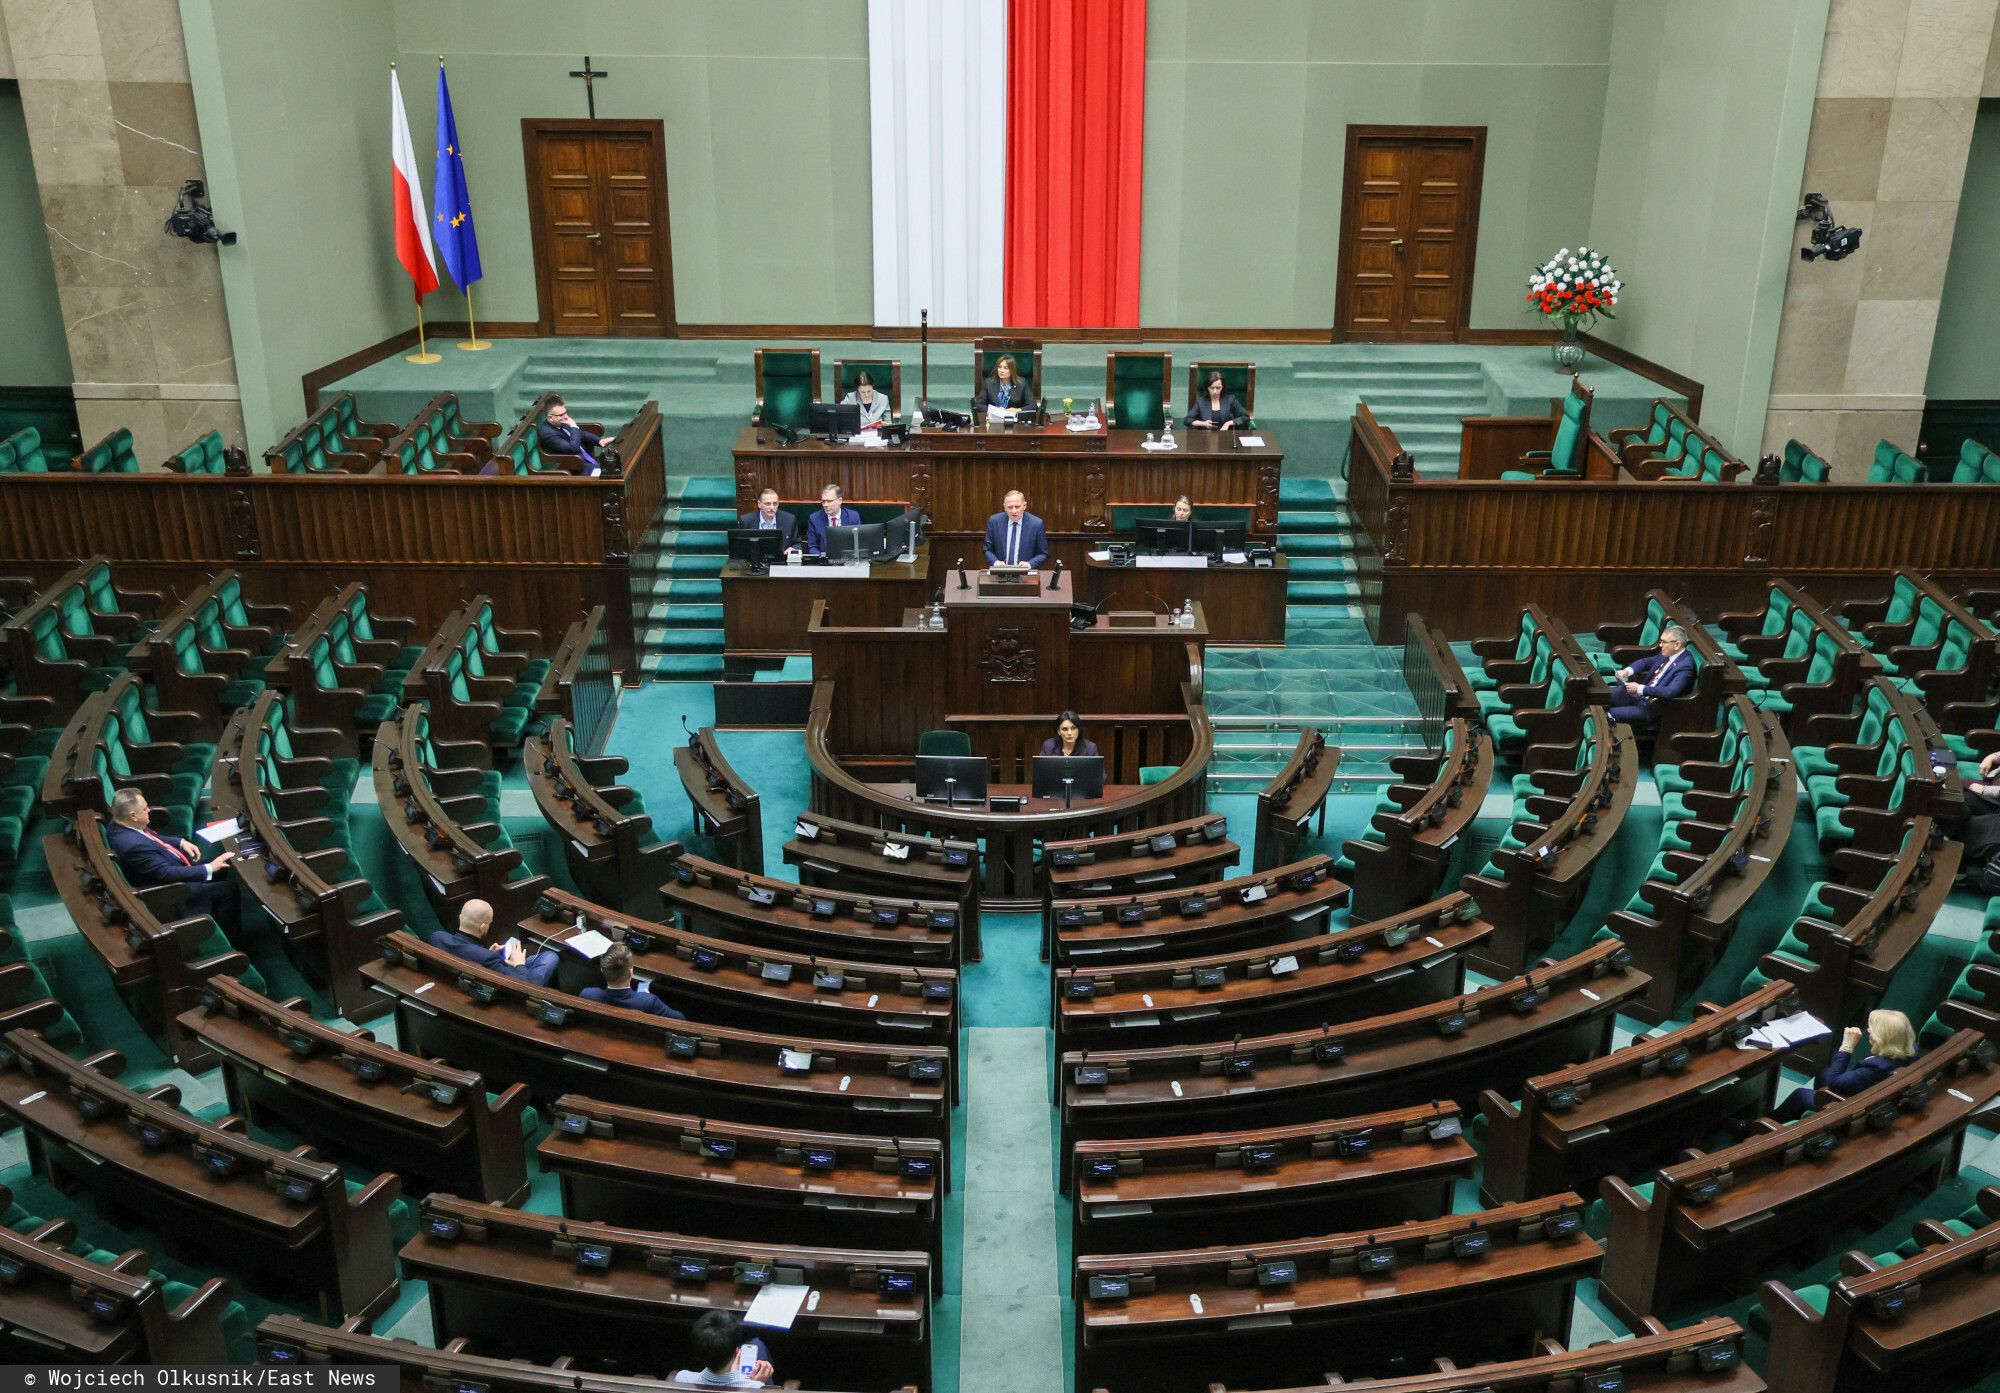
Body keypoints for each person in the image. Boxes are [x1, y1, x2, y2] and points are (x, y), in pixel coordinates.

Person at [105, 788, 239, 938]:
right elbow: (166, 873)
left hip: (171, 863)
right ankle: (230, 937)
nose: (149, 810)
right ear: (133, 816)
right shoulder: (133, 846)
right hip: (172, 892)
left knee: (223, 866)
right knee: (229, 889)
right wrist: (208, 868)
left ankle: (216, 909)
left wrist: (181, 842)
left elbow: (152, 837)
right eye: (145, 809)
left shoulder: (119, 822)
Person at [1772, 1010, 1917, 1121]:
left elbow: (1833, 1082)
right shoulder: (1910, 1049)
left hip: (1850, 1106)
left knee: (1800, 1095)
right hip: (1872, 1094)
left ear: (1882, 1037)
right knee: (1823, 1074)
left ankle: (1767, 1129)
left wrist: (1846, 1047)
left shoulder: (1876, 1067)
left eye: (1872, 1028)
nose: (1868, 1030)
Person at [429, 898, 559, 987]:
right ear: (482, 927)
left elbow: (468, 953)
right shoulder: (487, 958)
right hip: (506, 988)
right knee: (550, 957)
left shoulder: (437, 937)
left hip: (463, 976)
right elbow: (525, 986)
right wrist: (519, 964)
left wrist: (486, 952)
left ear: (460, 918)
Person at [1608, 626, 1694, 727]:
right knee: (1605, 696)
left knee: (1612, 713)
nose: (1660, 645)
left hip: (1652, 708)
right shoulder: (1668, 653)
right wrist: (1626, 672)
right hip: (1640, 696)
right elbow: (1645, 662)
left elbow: (1669, 691)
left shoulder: (1686, 666)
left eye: (1664, 642)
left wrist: (1640, 688)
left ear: (1677, 645)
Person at [673, 1310, 775, 1388]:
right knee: (758, 1344)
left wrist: (735, 1373)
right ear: (736, 1352)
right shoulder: (755, 1386)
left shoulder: (682, 1379)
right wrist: (754, 1385)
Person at [581, 942, 683, 1018]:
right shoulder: (649, 1002)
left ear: (602, 970)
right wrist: (643, 997)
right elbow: (680, 1019)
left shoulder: (587, 994)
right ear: (631, 973)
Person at [537, 396, 614, 475]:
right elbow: (574, 449)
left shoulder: (559, 422)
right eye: (561, 415)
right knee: (611, 473)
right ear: (550, 418)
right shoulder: (548, 434)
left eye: (566, 412)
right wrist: (573, 426)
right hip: (575, 469)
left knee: (614, 463)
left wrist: (599, 441)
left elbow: (581, 434)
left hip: (586, 461)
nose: (566, 416)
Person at [982, 489, 1048, 568]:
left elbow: (1043, 554)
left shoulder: (1036, 524)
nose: (1014, 511)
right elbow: (987, 549)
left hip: (1025, 572)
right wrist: (996, 563)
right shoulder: (994, 521)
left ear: (1025, 506)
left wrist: (1029, 564)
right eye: (1010, 507)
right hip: (1000, 572)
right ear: (1005, 507)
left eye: (1017, 507)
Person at [804, 484, 861, 554]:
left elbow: (858, 543)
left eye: (829, 501)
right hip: (823, 558)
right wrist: (823, 557)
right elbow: (812, 547)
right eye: (823, 501)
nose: (825, 505)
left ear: (840, 500)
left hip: (848, 558)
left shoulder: (853, 517)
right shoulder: (814, 519)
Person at [1185, 370, 1250, 430]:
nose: (1215, 391)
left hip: (1226, 435)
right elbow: (1187, 420)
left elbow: (1246, 417)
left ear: (1222, 387)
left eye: (1218, 388)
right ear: (1207, 387)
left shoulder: (1230, 400)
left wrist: (1228, 423)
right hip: (1206, 435)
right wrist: (1204, 424)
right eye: (1212, 388)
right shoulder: (1201, 401)